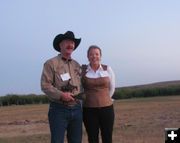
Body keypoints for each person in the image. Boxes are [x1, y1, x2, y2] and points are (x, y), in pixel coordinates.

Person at [41, 31, 82, 143]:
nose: (70, 45)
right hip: (59, 110)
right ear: (61, 45)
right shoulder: (50, 63)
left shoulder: (77, 65)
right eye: (67, 42)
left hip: (77, 109)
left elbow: (82, 85)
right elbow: (45, 85)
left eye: (72, 43)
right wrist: (61, 95)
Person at [81, 45, 115, 143]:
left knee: (107, 137)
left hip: (107, 109)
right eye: (91, 54)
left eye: (97, 54)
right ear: (88, 57)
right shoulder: (82, 70)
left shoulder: (107, 69)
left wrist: (105, 99)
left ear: (100, 56)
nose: (94, 56)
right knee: (92, 138)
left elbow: (112, 87)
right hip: (89, 110)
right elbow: (80, 89)